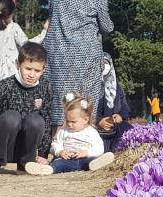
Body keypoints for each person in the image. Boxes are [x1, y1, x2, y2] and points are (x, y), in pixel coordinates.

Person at [0, 42, 53, 174]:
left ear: (44, 69)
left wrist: (43, 153)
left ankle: (27, 164)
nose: (31, 74)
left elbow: (47, 121)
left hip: (24, 149)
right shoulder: (5, 86)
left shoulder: (45, 87)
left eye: (37, 71)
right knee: (11, 117)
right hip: (0, 145)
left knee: (36, 120)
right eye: (28, 69)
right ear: (18, 65)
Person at [43, 0, 113, 131]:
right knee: (85, 102)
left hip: (57, 51)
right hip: (85, 52)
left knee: (59, 103)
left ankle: (56, 144)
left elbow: (52, 16)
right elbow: (106, 27)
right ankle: (84, 143)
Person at [25, 92, 115, 175]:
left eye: (73, 121)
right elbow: (55, 144)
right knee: (58, 163)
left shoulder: (91, 132)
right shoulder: (64, 131)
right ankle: (47, 169)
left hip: (85, 159)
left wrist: (86, 153)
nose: (69, 124)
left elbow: (99, 148)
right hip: (67, 160)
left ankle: (97, 165)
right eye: (67, 121)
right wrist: (60, 151)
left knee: (93, 160)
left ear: (85, 120)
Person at [0, 0, 48, 96]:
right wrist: (44, 31)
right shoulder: (13, 27)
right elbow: (27, 45)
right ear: (10, 14)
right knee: (11, 99)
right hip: (10, 70)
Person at [96, 53, 133, 152]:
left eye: (106, 63)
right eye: (101, 63)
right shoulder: (92, 86)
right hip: (99, 128)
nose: (104, 66)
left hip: (117, 126)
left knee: (130, 134)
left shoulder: (117, 87)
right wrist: (99, 121)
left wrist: (120, 116)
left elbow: (125, 108)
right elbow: (87, 110)